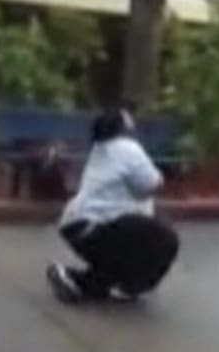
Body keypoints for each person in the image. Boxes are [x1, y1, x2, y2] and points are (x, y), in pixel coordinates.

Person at [47, 106, 179, 304]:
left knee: (137, 235)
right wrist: (162, 175)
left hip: (79, 227)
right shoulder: (127, 148)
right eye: (131, 123)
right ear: (122, 128)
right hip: (98, 227)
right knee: (165, 237)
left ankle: (75, 280)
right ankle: (131, 285)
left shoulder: (101, 149)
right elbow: (151, 183)